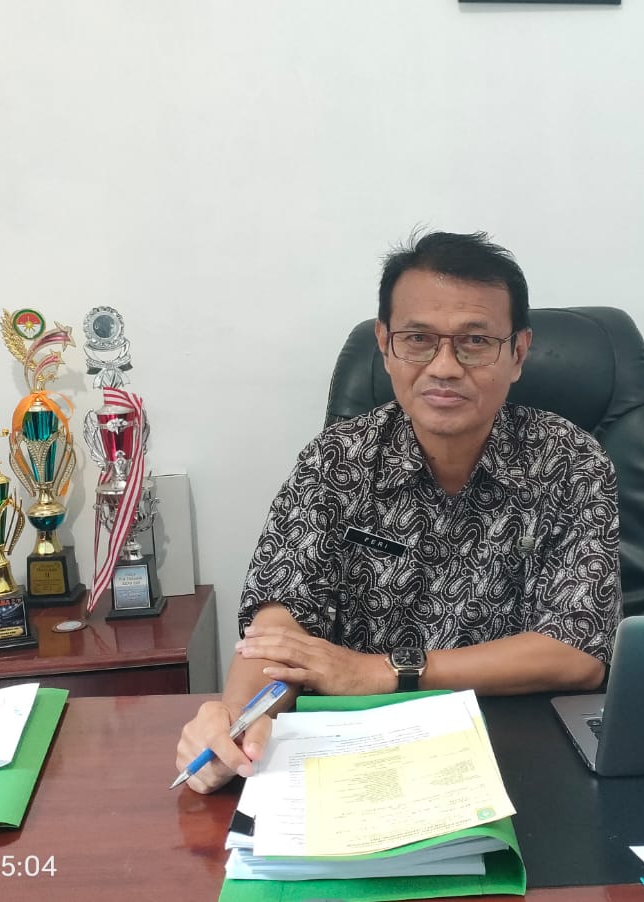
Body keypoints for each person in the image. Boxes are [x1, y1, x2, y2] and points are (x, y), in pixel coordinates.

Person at [175, 230, 621, 793]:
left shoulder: (570, 460)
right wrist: (239, 720)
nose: (445, 367)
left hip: (527, 750)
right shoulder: (335, 462)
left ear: (518, 353)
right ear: (385, 345)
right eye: (418, 339)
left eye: (475, 341)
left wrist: (384, 670)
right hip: (361, 751)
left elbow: (577, 651)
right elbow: (278, 629)